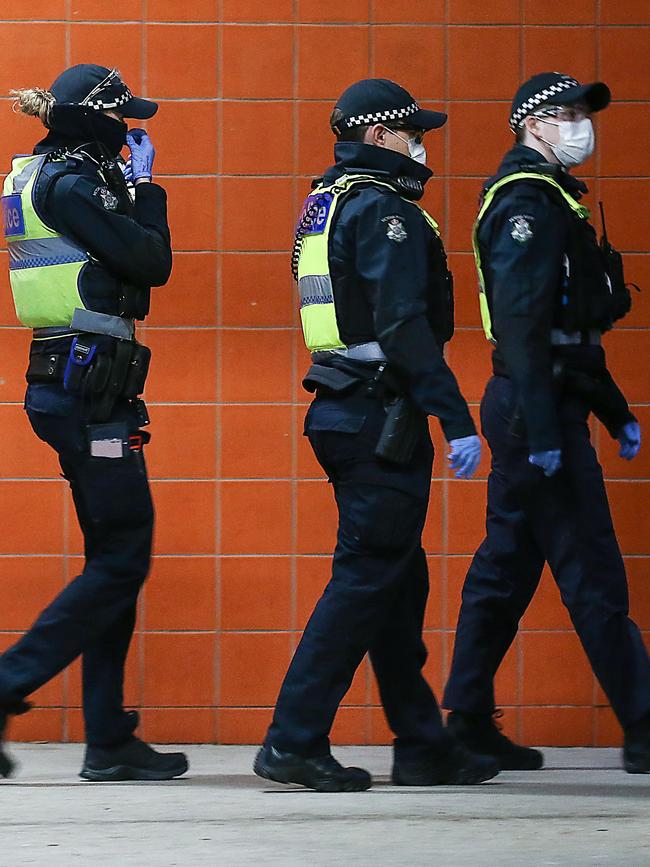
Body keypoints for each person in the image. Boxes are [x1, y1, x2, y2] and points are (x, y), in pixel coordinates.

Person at [254, 78, 499, 792]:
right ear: (381, 136)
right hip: (376, 414)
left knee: (396, 580)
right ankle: (293, 739)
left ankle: (423, 744)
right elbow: (401, 324)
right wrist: (455, 415)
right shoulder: (382, 210)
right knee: (366, 579)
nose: (423, 142)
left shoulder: (326, 203)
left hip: (343, 407)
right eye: (412, 131)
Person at [442, 72, 650, 774]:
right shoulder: (525, 204)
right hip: (536, 409)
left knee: (506, 565)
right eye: (563, 113)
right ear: (530, 124)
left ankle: (467, 716)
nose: (578, 125)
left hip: (541, 400)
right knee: (590, 566)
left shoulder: (555, 200)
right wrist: (547, 430)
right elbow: (527, 329)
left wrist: (613, 410)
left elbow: (569, 334)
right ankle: (645, 723)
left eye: (582, 113)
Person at [0, 64, 188, 781]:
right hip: (89, 395)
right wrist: (148, 191)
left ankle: (109, 738)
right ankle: (10, 684)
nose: (134, 131)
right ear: (98, 119)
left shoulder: (37, 173)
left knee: (113, 557)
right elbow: (151, 261)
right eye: (125, 119)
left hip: (71, 381)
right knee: (122, 557)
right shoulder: (74, 183)